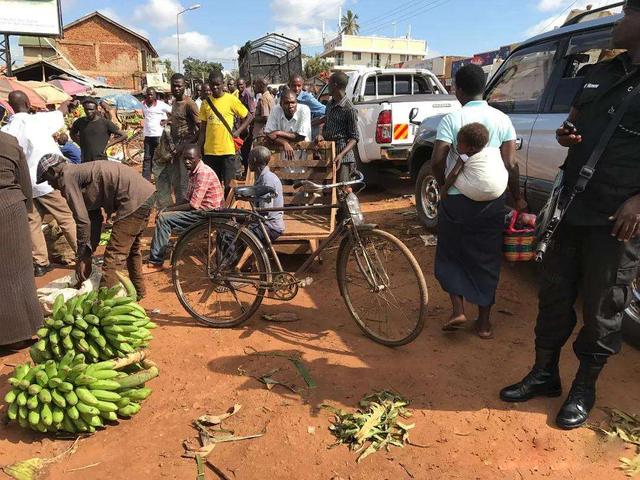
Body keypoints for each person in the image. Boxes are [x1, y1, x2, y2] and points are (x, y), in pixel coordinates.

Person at [500, 0, 640, 430]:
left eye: (629, 12)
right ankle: (545, 374)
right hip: (571, 211)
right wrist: (566, 133)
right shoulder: (601, 73)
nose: (619, 20)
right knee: (554, 298)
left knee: (603, 309)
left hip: (616, 221)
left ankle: (584, 387)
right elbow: (574, 121)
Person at [431, 64, 526, 339]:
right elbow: (511, 163)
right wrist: (517, 197)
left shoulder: (452, 119)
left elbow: (437, 160)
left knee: (451, 253)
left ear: (458, 89)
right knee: (486, 257)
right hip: (492, 203)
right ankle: (483, 323)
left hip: (458, 201)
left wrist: (442, 184)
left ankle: (458, 309)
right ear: (483, 87)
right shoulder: (502, 119)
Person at [37, 154, 155, 298]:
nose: (50, 185)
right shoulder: (79, 174)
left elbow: (82, 221)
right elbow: (94, 219)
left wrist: (82, 256)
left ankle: (105, 302)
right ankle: (139, 292)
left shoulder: (66, 177)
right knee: (132, 249)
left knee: (114, 255)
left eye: (48, 180)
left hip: (133, 199)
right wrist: (87, 254)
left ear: (52, 172)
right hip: (145, 193)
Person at [2, 91, 78, 277]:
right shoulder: (41, 120)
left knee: (32, 223)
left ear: (11, 107)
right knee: (66, 217)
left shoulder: (7, 131)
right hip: (48, 181)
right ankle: (83, 253)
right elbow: (60, 111)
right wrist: (69, 101)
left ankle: (41, 263)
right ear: (28, 104)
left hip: (25, 185)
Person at [145, 144, 224, 271]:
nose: (187, 162)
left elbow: (193, 205)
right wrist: (166, 208)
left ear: (199, 157)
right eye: (185, 159)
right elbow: (186, 200)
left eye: (190, 159)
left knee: (164, 219)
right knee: (164, 214)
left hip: (208, 215)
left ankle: (155, 261)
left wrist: (167, 211)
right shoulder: (194, 171)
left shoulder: (203, 173)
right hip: (201, 211)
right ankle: (158, 254)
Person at [0, 132, 44, 350]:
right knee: (20, 271)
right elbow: (24, 180)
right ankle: (27, 330)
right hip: (11, 207)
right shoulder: (8, 141)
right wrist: (25, 209)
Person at [198, 72, 253, 189]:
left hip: (227, 151)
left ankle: (228, 207)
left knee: (229, 186)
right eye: (212, 85)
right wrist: (199, 148)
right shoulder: (205, 103)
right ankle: (216, 208)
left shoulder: (231, 100)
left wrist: (238, 132)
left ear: (223, 84)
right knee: (213, 187)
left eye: (218, 84)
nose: (215, 87)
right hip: (210, 152)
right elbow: (202, 129)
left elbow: (249, 117)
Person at [316, 72, 359, 182]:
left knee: (341, 190)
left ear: (334, 85)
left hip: (343, 158)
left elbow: (354, 138)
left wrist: (341, 155)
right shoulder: (330, 104)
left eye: (329, 83)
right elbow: (326, 122)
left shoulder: (350, 109)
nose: (327, 86)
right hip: (328, 152)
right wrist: (321, 135)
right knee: (327, 191)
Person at [168, 73, 200, 202]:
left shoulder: (190, 104)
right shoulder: (175, 102)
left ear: (184, 86)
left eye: (179, 86)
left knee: (185, 182)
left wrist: (186, 145)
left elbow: (201, 127)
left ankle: (185, 212)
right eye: (173, 86)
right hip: (176, 148)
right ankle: (179, 207)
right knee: (176, 181)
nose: (176, 89)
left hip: (186, 149)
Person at [70, 98, 126, 162]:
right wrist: (80, 144)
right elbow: (72, 134)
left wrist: (107, 146)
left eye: (91, 109)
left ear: (96, 109)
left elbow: (123, 135)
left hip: (101, 160)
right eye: (86, 109)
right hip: (85, 160)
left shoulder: (105, 123)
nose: (88, 112)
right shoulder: (79, 122)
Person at [248, 146, 284, 242]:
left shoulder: (267, 180)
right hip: (265, 223)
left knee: (231, 237)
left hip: (270, 226)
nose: (248, 161)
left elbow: (264, 211)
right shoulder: (262, 177)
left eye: (249, 158)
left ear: (254, 160)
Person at [264, 88, 311, 160]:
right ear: (281, 104)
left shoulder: (304, 110)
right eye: (286, 103)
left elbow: (301, 137)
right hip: (282, 156)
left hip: (302, 155)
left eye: (293, 102)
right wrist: (284, 143)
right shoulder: (276, 110)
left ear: (297, 102)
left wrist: (278, 133)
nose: (290, 106)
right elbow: (269, 134)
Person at [141, 87, 172, 180]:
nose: (150, 96)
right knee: (147, 157)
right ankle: (145, 179)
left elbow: (173, 112)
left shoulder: (161, 105)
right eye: (148, 94)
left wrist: (166, 121)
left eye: (152, 94)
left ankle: (163, 177)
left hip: (158, 135)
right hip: (148, 135)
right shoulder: (142, 104)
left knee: (161, 156)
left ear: (155, 96)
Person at [237, 78, 256, 168]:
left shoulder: (247, 95)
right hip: (242, 126)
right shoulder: (239, 94)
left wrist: (246, 126)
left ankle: (248, 169)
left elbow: (251, 113)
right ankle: (245, 168)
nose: (239, 86)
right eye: (238, 85)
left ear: (244, 85)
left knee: (247, 149)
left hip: (247, 127)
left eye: (241, 85)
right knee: (243, 149)